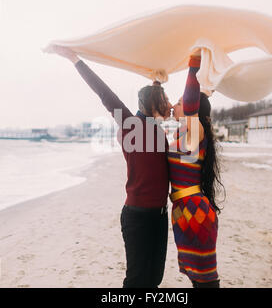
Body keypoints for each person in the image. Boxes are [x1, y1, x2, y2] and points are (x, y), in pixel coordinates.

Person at [43, 44, 172, 288]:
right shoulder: (130, 124)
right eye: (165, 99)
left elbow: (153, 108)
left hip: (160, 216)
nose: (170, 103)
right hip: (138, 216)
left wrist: (156, 82)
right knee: (136, 282)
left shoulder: (157, 131)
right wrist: (75, 59)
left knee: (154, 279)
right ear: (155, 103)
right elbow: (103, 92)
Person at [168, 54, 225, 288]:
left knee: (205, 279)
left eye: (180, 102)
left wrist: (193, 66)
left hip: (195, 211)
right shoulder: (181, 135)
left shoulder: (195, 131)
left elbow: (192, 102)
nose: (175, 105)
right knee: (194, 275)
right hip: (183, 211)